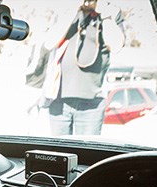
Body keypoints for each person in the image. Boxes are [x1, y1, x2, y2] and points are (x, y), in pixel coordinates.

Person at [42, 0, 125, 136]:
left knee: (87, 153)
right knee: (58, 151)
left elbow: (116, 46)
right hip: (58, 98)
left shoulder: (112, 11)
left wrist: (106, 16)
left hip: (92, 102)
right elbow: (49, 42)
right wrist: (72, 11)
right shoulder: (66, 10)